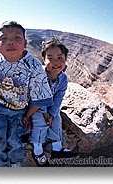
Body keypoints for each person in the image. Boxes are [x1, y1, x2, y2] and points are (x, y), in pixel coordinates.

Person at [0, 21, 53, 167]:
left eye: (17, 38)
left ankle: (16, 163)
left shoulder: (33, 66)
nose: (11, 42)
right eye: (4, 38)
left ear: (25, 43)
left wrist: (28, 115)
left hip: (19, 109)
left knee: (16, 140)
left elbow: (40, 97)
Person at [30, 37, 77, 167]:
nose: (55, 62)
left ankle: (57, 149)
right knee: (40, 122)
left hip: (49, 105)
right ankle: (38, 151)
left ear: (66, 60)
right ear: (43, 60)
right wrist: (45, 113)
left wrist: (52, 113)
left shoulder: (63, 79)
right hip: (35, 105)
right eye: (50, 58)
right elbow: (38, 96)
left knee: (56, 119)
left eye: (60, 58)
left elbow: (58, 97)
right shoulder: (40, 76)